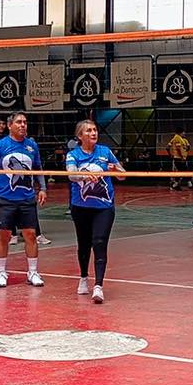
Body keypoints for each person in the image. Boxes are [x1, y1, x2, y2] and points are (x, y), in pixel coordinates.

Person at [0, 111, 47, 288]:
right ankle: (1, 272)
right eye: (19, 122)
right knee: (4, 235)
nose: (23, 125)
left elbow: (38, 168)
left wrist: (42, 188)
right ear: (10, 125)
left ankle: (32, 272)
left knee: (30, 235)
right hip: (5, 198)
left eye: (25, 122)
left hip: (27, 198)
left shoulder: (32, 145)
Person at [66, 119, 124, 303]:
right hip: (81, 206)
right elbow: (71, 175)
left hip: (103, 207)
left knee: (99, 242)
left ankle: (98, 286)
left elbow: (122, 175)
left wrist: (116, 169)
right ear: (80, 136)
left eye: (95, 130)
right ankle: (84, 277)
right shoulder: (73, 154)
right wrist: (85, 175)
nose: (93, 133)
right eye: (88, 131)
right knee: (84, 244)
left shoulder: (105, 152)